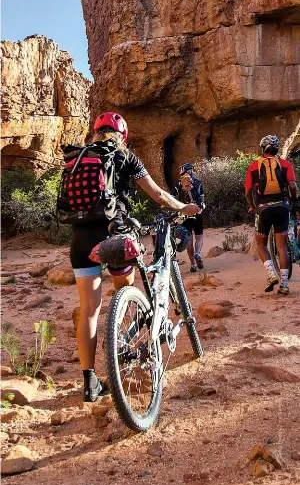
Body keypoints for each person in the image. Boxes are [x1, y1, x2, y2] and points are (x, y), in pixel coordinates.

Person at [64, 112, 201, 402]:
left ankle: (89, 383)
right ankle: (126, 352)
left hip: (80, 239)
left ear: (96, 132)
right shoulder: (126, 157)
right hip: (115, 236)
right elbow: (159, 195)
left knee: (89, 310)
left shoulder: (78, 157)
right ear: (122, 135)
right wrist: (185, 207)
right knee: (124, 293)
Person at [244, 134, 298, 295]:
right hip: (282, 206)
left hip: (263, 208)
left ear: (262, 149)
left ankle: (271, 275)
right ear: (277, 149)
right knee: (281, 246)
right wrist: (293, 199)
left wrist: (252, 206)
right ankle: (285, 284)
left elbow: (247, 191)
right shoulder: (285, 164)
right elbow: (293, 186)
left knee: (261, 244)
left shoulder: (254, 166)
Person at [172, 163, 205, 272]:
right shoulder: (197, 182)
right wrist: (200, 206)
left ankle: (193, 264)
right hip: (197, 212)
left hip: (184, 214)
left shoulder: (178, 184)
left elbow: (171, 197)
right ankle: (197, 253)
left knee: (188, 239)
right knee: (199, 237)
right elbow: (202, 199)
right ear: (191, 171)